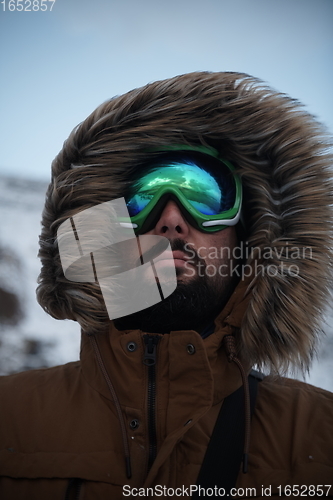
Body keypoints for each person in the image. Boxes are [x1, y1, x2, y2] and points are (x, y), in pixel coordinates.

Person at [0, 71, 332, 499]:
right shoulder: (9, 417)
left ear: (249, 243)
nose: (172, 219)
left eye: (206, 197)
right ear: (107, 235)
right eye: (142, 198)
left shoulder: (318, 435)